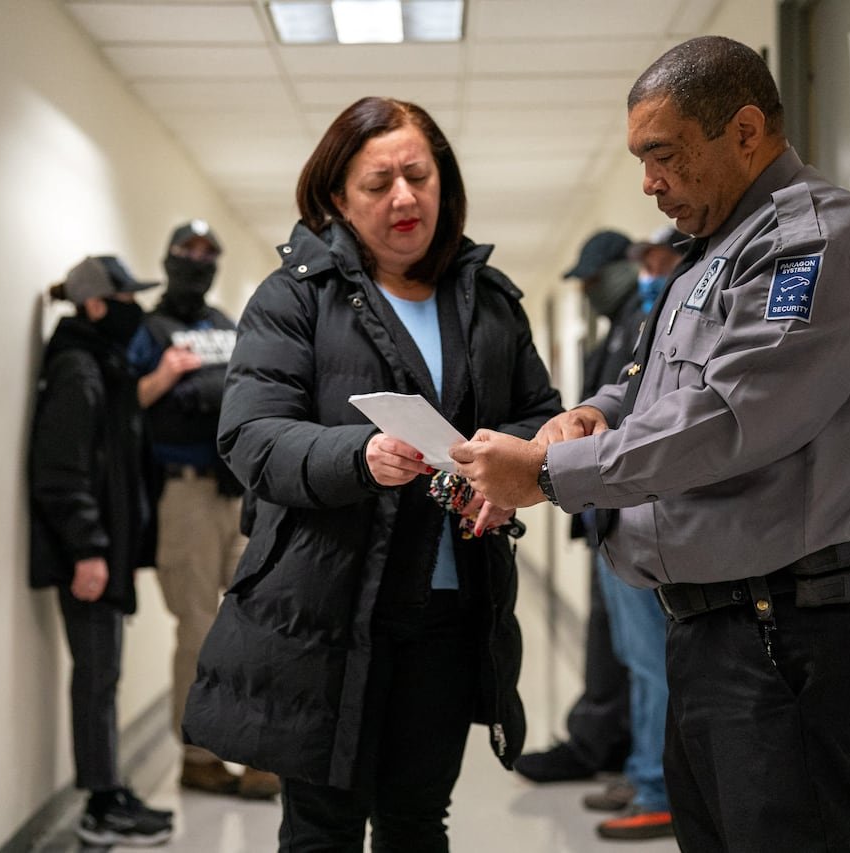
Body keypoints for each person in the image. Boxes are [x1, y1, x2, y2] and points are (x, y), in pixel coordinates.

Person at [451, 36, 850, 853]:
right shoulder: (712, 257)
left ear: (745, 132)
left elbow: (729, 418)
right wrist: (589, 416)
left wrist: (546, 469)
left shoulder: (814, 242)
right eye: (641, 159)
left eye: (662, 154)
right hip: (719, 631)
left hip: (796, 637)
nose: (649, 182)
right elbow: (649, 384)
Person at [181, 96, 564, 851]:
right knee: (322, 827)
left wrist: (505, 463)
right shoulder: (294, 298)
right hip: (327, 609)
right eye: (378, 182)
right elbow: (251, 434)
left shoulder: (488, 301)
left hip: (450, 611)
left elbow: (540, 412)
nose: (404, 197)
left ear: (443, 182)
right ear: (335, 198)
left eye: (419, 175)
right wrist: (358, 456)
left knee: (417, 821)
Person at [127, 220, 280, 800]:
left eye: (208, 252)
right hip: (183, 492)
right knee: (198, 627)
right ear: (168, 257)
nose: (198, 260)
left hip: (236, 490)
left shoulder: (224, 325)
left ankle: (259, 749)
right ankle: (198, 755)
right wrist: (165, 377)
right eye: (187, 251)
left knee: (259, 616)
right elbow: (127, 404)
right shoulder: (149, 328)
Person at [28, 255, 174, 848]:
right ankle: (99, 803)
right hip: (86, 555)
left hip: (103, 548)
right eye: (125, 299)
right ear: (95, 305)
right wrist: (88, 548)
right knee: (96, 676)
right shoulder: (78, 369)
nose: (133, 309)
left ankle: (109, 788)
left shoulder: (99, 364)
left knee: (103, 674)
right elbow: (60, 471)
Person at [571, 229, 683, 842]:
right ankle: (644, 772)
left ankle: (657, 788)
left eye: (658, 260)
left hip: (642, 515)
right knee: (637, 661)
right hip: (611, 513)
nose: (650, 270)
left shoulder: (668, 316)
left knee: (651, 661)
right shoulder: (641, 321)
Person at [513, 231, 636, 791]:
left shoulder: (644, 323)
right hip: (602, 515)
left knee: (637, 652)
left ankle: (636, 767)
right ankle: (603, 743)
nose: (588, 293)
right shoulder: (618, 334)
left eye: (592, 281)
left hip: (632, 516)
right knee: (610, 641)